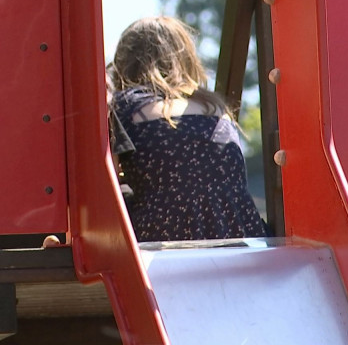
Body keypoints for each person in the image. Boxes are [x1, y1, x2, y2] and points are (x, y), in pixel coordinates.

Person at [109, 16, 267, 242]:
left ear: (125, 62)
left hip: (163, 237)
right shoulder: (217, 109)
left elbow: (107, 190)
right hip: (237, 234)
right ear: (186, 59)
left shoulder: (127, 106)